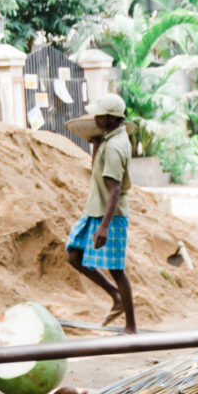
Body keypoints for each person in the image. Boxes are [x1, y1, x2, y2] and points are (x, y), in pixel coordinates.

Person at [66, 93, 136, 334]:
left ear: (112, 118)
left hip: (110, 214)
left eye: (100, 115)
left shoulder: (115, 146)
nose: (95, 118)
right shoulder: (110, 139)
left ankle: (131, 327)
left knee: (117, 270)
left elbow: (115, 189)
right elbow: (97, 169)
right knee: (74, 255)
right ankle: (115, 295)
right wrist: (96, 146)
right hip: (95, 209)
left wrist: (104, 227)